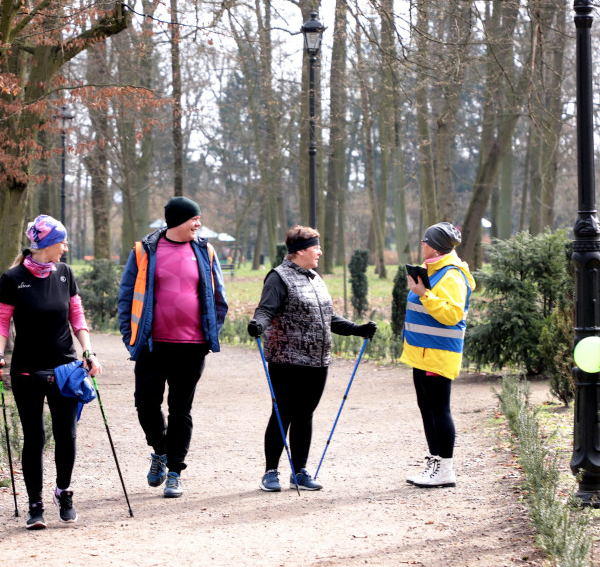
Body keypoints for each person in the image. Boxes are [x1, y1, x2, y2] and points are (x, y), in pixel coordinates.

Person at [0, 215, 102, 529]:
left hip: (66, 367)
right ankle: (35, 504)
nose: (65, 248)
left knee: (67, 435)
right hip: (26, 369)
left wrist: (88, 350)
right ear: (47, 244)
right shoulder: (12, 278)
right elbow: (2, 322)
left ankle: (63, 491)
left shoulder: (65, 274)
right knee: (34, 437)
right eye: (62, 242)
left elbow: (77, 317)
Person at [247, 227, 377, 492]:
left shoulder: (315, 278)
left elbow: (328, 317)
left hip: (317, 361)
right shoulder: (278, 277)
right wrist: (257, 325)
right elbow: (266, 309)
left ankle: (300, 472)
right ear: (300, 250)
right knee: (282, 414)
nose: (320, 251)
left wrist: (357, 329)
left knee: (305, 415)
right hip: (286, 359)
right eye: (315, 247)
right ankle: (270, 472)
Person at [117, 197, 228, 499]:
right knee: (146, 404)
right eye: (194, 219)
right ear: (178, 220)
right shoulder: (144, 251)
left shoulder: (205, 250)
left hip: (192, 347)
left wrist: (210, 334)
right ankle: (161, 451)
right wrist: (131, 337)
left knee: (181, 410)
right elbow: (127, 296)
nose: (199, 224)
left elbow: (219, 297)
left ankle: (176, 471)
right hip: (153, 345)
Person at [401, 222, 475, 488]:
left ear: (434, 245)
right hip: (422, 354)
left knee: (439, 410)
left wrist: (424, 294)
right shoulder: (436, 271)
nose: (421, 244)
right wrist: (422, 291)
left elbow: (452, 315)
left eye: (424, 240)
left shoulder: (452, 275)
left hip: (439, 354)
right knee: (427, 409)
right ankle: (436, 462)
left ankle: (445, 468)